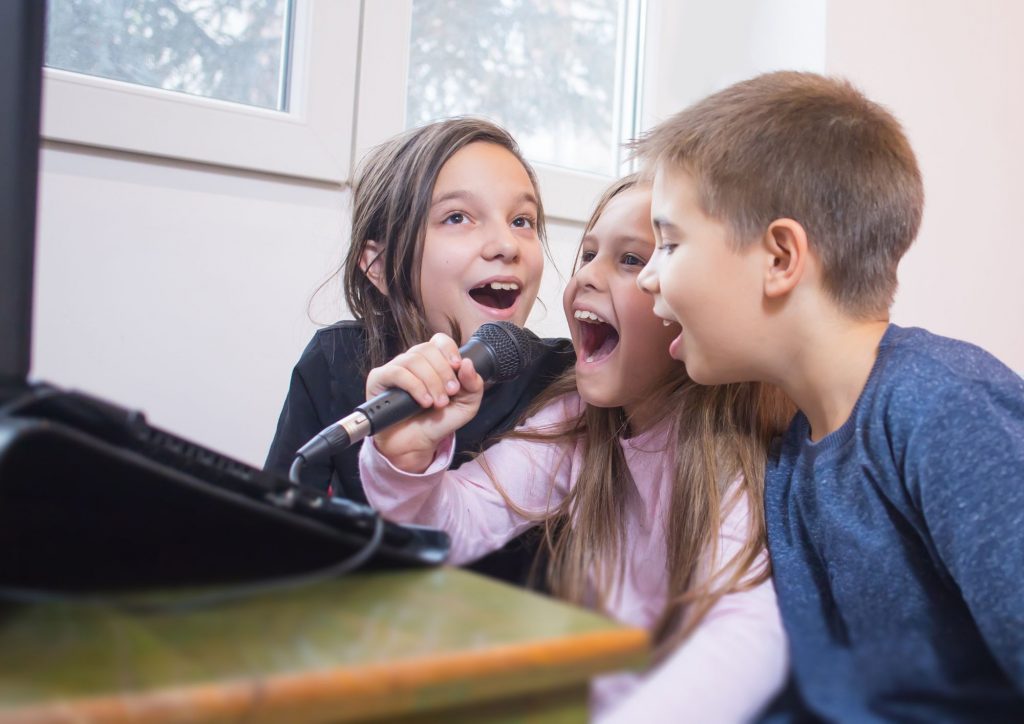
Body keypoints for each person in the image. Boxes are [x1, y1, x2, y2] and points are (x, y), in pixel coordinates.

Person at [635, 70, 1024, 721]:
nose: (649, 275)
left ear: (781, 257)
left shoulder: (940, 407)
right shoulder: (793, 457)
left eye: (670, 243)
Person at [358, 175, 795, 720]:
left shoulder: (730, 453)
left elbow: (746, 639)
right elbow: (455, 525)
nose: (586, 275)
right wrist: (406, 459)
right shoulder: (579, 420)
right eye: (587, 253)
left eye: (631, 260)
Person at [265, 118, 574, 584]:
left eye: (521, 221)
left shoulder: (565, 381)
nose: (506, 245)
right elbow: (279, 539)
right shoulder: (333, 361)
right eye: (457, 217)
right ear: (380, 265)